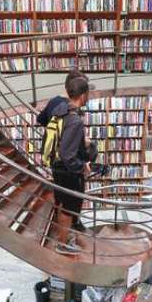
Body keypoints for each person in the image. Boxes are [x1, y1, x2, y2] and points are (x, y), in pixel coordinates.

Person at [47, 76, 92, 255]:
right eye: (88, 93)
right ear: (82, 95)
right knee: (68, 209)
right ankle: (63, 244)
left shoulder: (61, 110)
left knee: (62, 205)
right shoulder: (75, 120)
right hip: (67, 171)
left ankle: (64, 238)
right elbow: (67, 155)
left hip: (57, 167)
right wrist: (82, 167)